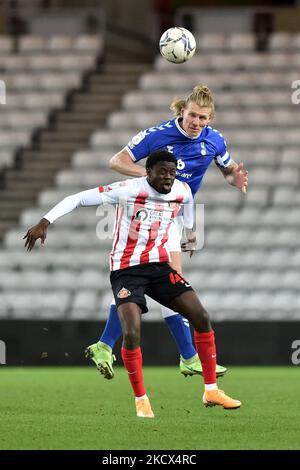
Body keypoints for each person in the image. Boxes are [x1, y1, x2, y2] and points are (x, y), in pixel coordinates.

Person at [23, 150, 242, 418]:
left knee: (201, 316)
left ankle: (211, 390)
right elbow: (78, 198)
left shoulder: (182, 190)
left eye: (172, 172)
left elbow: (187, 210)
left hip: (160, 268)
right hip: (127, 270)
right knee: (132, 333)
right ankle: (141, 400)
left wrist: (191, 234)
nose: (168, 177)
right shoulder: (127, 190)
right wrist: (45, 221)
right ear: (147, 172)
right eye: (162, 172)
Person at [86, 84, 248, 380]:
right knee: (167, 282)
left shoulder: (215, 141)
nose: (197, 123)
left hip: (173, 214)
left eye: (203, 118)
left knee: (157, 281)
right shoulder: (157, 136)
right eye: (192, 116)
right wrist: (151, 177)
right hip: (145, 212)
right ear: (181, 112)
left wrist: (233, 177)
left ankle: (107, 344)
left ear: (211, 118)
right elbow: (117, 161)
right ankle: (186, 356)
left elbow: (227, 168)